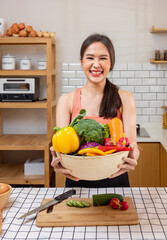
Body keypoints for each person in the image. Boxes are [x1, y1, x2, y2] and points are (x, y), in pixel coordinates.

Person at [50, 33, 139, 187]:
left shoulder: (125, 98)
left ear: (111, 62)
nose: (96, 64)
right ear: (81, 62)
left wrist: (134, 157)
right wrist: (56, 157)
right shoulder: (66, 100)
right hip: (77, 179)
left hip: (115, 177)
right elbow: (62, 147)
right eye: (90, 58)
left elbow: (132, 145)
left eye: (103, 58)